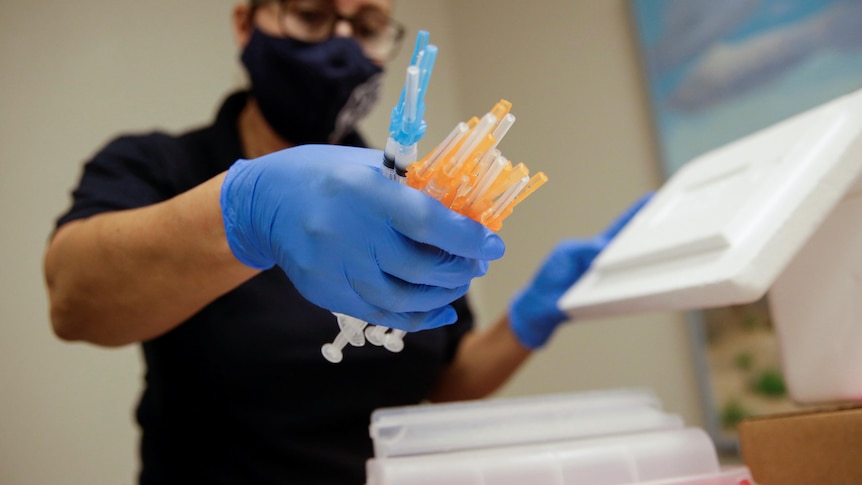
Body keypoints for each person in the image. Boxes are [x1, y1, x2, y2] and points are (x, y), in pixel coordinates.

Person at [43, 0, 647, 483]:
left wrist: (532, 316)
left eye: (368, 26)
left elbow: (443, 379)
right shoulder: (160, 166)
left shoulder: (406, 191)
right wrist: (244, 211)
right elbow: (75, 302)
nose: (340, 45)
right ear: (246, 20)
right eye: (310, 14)